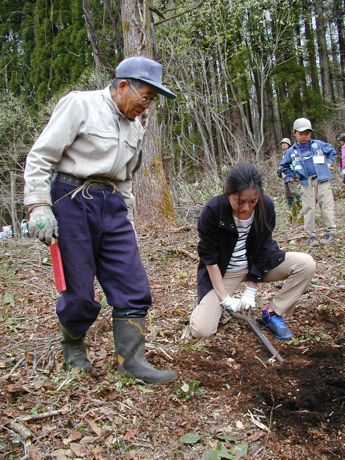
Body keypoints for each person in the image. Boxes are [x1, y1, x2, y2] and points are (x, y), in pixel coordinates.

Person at [23, 56, 177, 384]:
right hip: (72, 199)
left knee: (133, 283)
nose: (147, 105)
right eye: (145, 96)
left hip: (112, 205)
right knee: (79, 292)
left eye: (152, 100)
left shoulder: (136, 126)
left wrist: (129, 219)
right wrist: (38, 205)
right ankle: (74, 346)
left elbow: (125, 179)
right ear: (123, 85)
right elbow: (41, 155)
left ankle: (132, 361)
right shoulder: (80, 105)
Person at [189, 163, 316, 341]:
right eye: (240, 202)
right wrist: (225, 298)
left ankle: (273, 313)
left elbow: (264, 247)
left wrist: (252, 286)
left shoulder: (266, 206)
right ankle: (212, 307)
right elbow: (209, 259)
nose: (247, 208)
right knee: (201, 330)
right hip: (226, 271)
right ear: (227, 192)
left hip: (258, 264)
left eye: (253, 201)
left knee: (306, 264)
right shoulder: (213, 211)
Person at [279, 118, 336, 247]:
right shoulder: (291, 151)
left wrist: (329, 163)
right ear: (294, 133)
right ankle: (311, 236)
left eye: (307, 133)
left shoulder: (318, 145)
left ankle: (330, 233)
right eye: (301, 133)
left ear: (310, 133)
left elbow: (331, 150)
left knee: (326, 205)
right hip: (306, 182)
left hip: (323, 180)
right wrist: (293, 175)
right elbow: (283, 166)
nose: (304, 136)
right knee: (309, 208)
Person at [277, 137, 301, 211]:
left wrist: (293, 175)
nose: (283, 145)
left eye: (285, 143)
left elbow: (295, 163)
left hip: (290, 176)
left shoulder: (291, 152)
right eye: (282, 144)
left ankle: (303, 206)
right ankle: (291, 210)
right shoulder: (284, 154)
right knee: (288, 194)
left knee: (295, 191)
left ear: (288, 144)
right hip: (285, 177)